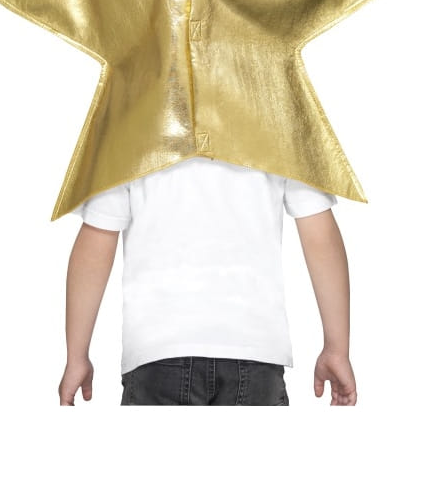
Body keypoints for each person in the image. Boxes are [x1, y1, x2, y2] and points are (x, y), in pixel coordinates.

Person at [57, 156, 359, 406]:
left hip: (158, 353)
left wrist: (76, 356)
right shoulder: (277, 119)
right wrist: (337, 349)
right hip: (253, 351)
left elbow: (97, 240)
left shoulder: (128, 120)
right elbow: (320, 234)